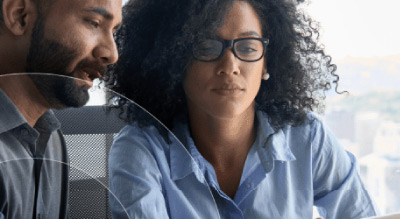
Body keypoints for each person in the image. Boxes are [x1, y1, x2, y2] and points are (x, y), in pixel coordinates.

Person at [107, 0, 378, 218]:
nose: (230, 65)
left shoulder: (308, 138)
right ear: (176, 59)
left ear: (267, 64)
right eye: (206, 46)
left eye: (248, 47)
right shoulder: (139, 150)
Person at [0, 0, 122, 217]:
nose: (112, 54)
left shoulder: (51, 137)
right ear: (20, 16)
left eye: (113, 31)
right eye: (93, 23)